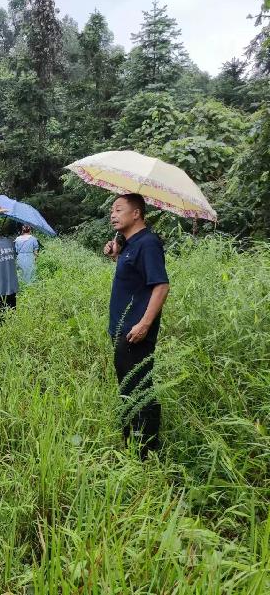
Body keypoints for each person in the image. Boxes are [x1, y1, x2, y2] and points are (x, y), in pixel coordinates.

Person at [104, 194, 170, 460]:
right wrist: (117, 254)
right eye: (112, 210)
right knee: (128, 387)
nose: (113, 214)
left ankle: (146, 452)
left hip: (135, 333)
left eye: (119, 209)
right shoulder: (130, 244)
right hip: (123, 330)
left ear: (136, 214)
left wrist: (144, 323)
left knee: (140, 390)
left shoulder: (148, 243)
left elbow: (161, 286)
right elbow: (135, 278)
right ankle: (132, 441)